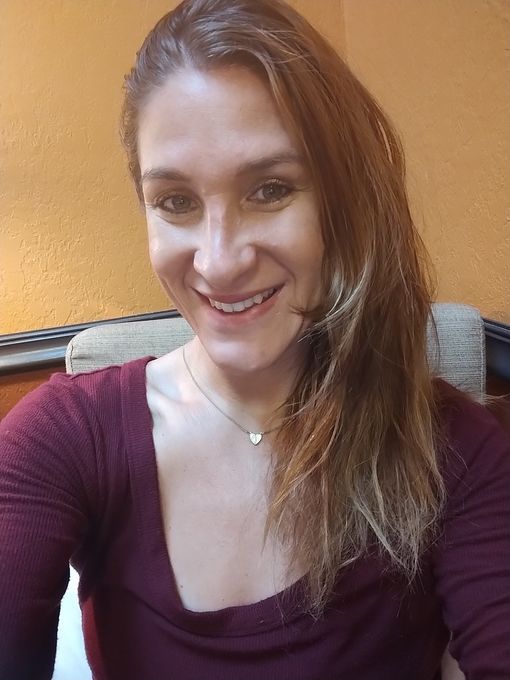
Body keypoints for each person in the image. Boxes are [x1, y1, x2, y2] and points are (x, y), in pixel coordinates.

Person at [1, 0, 509, 678]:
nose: (219, 262)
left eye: (269, 189)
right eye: (176, 201)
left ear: (345, 202)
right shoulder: (62, 437)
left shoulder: (457, 452)